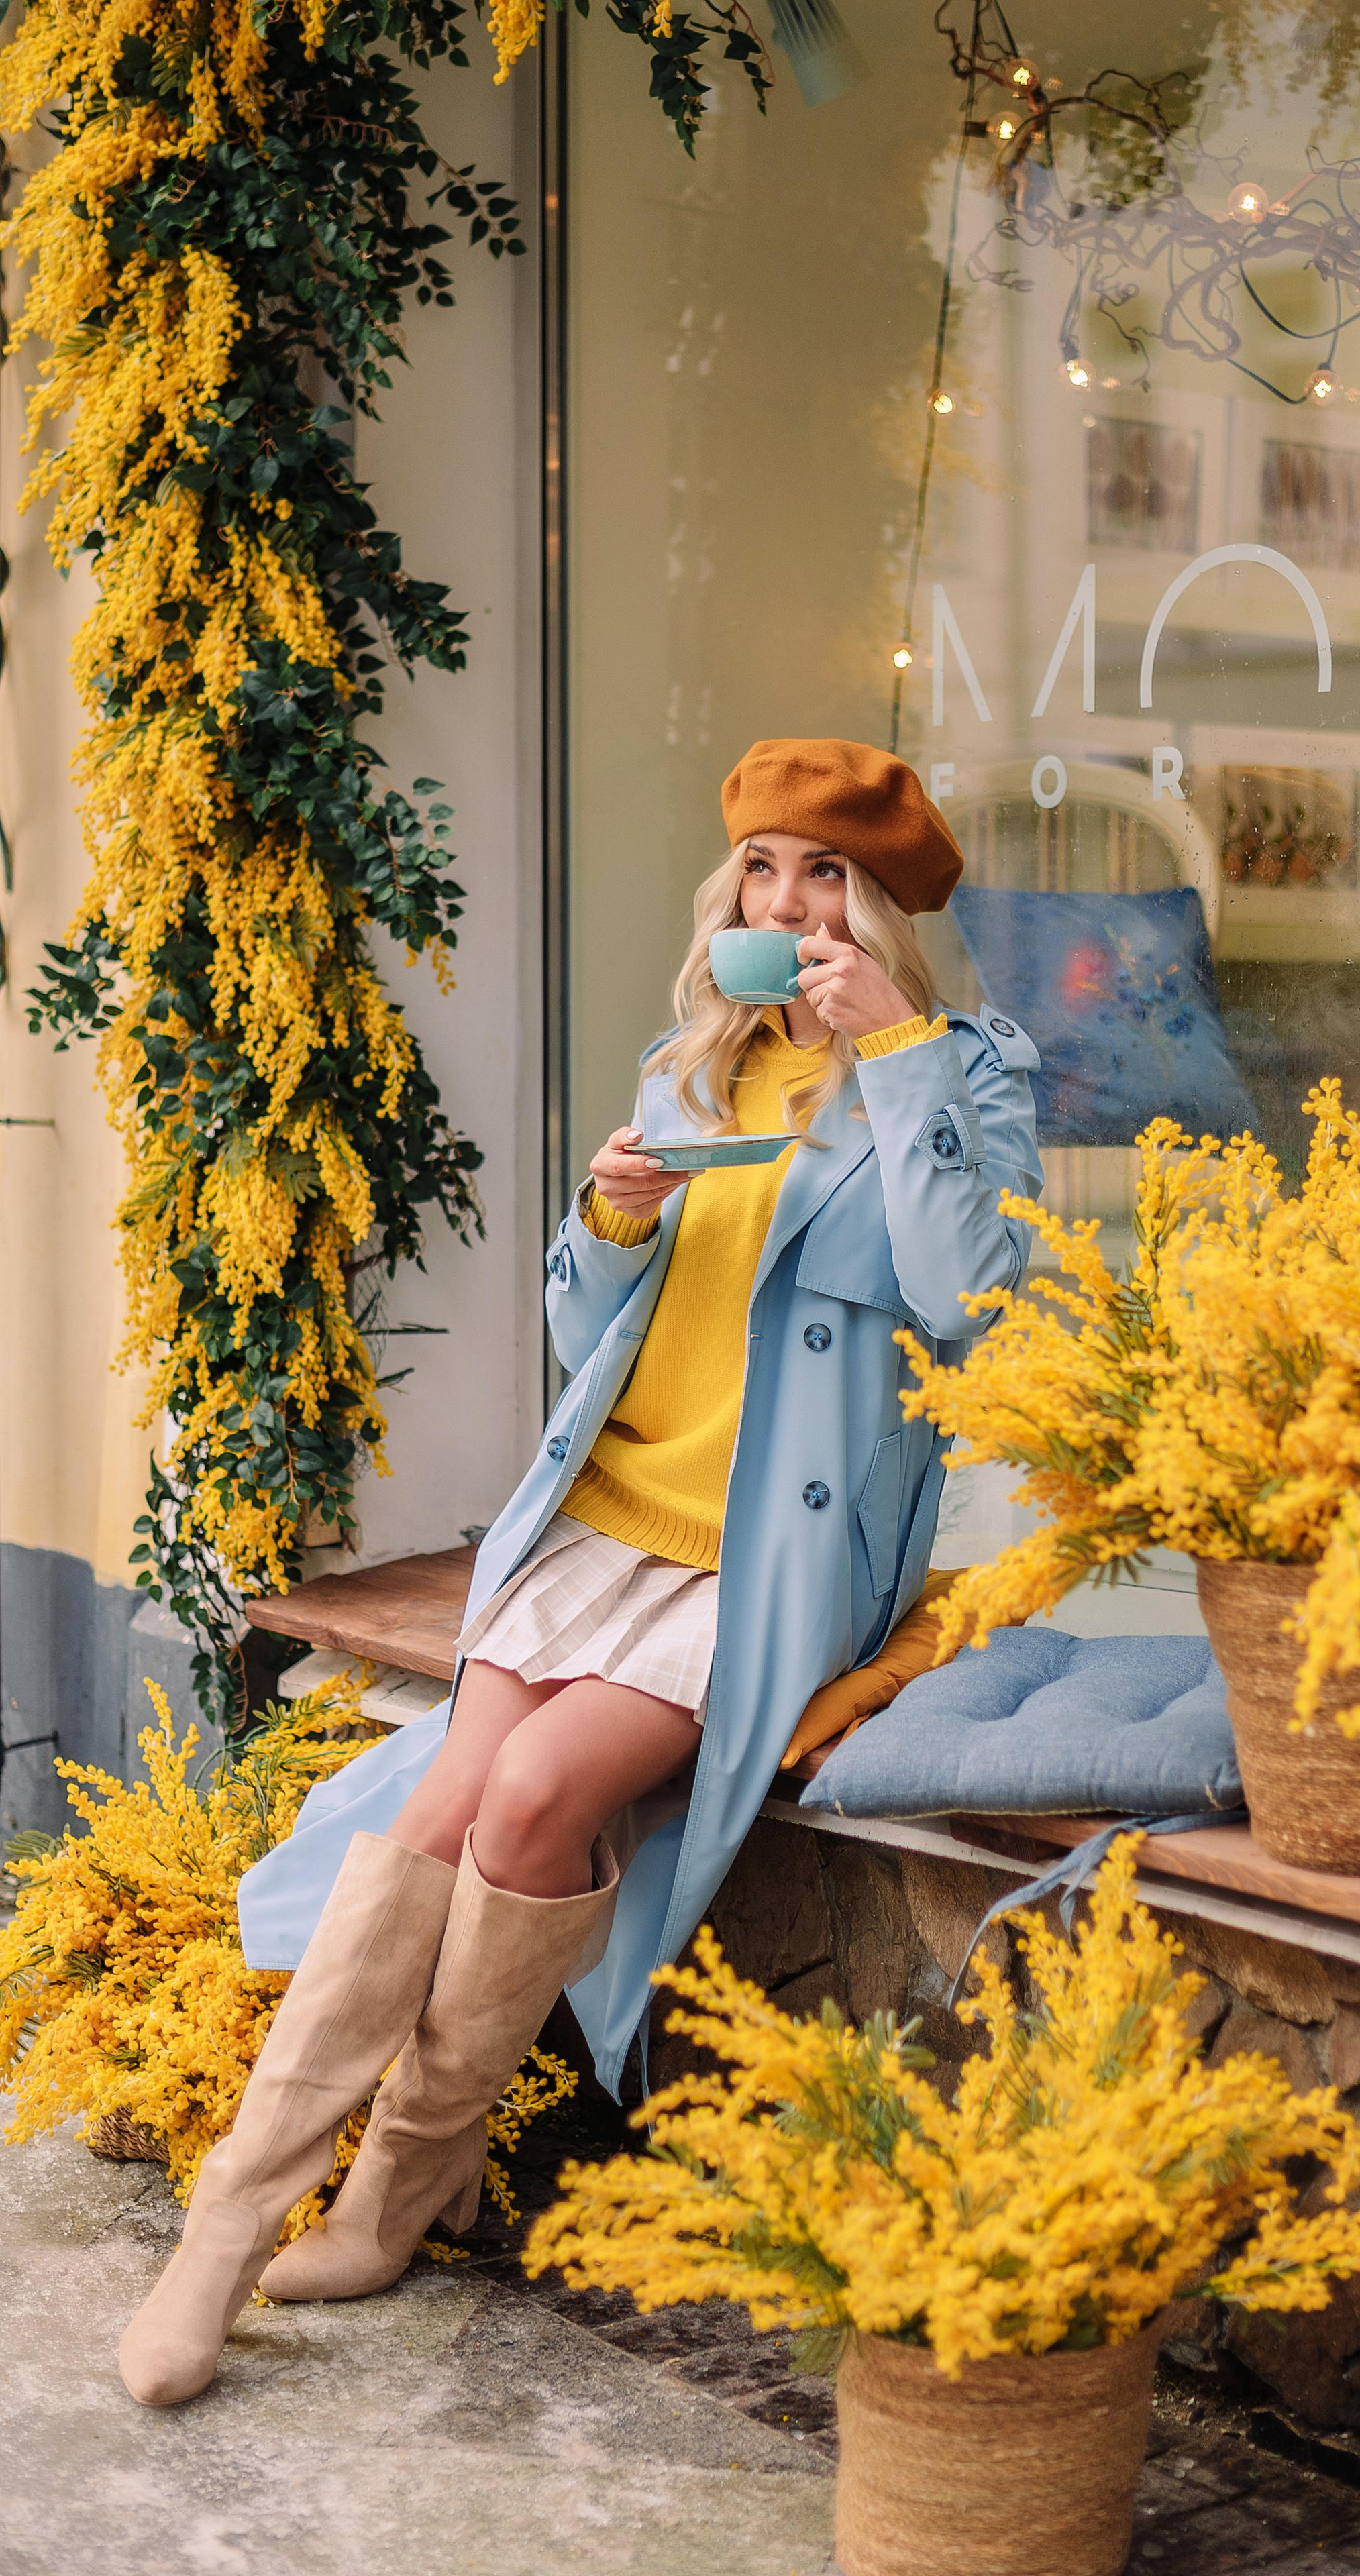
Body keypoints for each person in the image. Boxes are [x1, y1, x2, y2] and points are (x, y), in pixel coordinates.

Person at [118, 737, 1041, 2406]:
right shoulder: (689, 1067)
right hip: (599, 1516)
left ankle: (398, 2186)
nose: (785, 907)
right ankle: (236, 2224)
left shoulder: (964, 1071)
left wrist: (892, 1055)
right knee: (447, 1802)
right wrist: (607, 1222)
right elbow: (581, 1331)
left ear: (884, 909)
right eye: (760, 872)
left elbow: (971, 1304)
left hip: (770, 1555)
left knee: (538, 1793)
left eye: (824, 877)